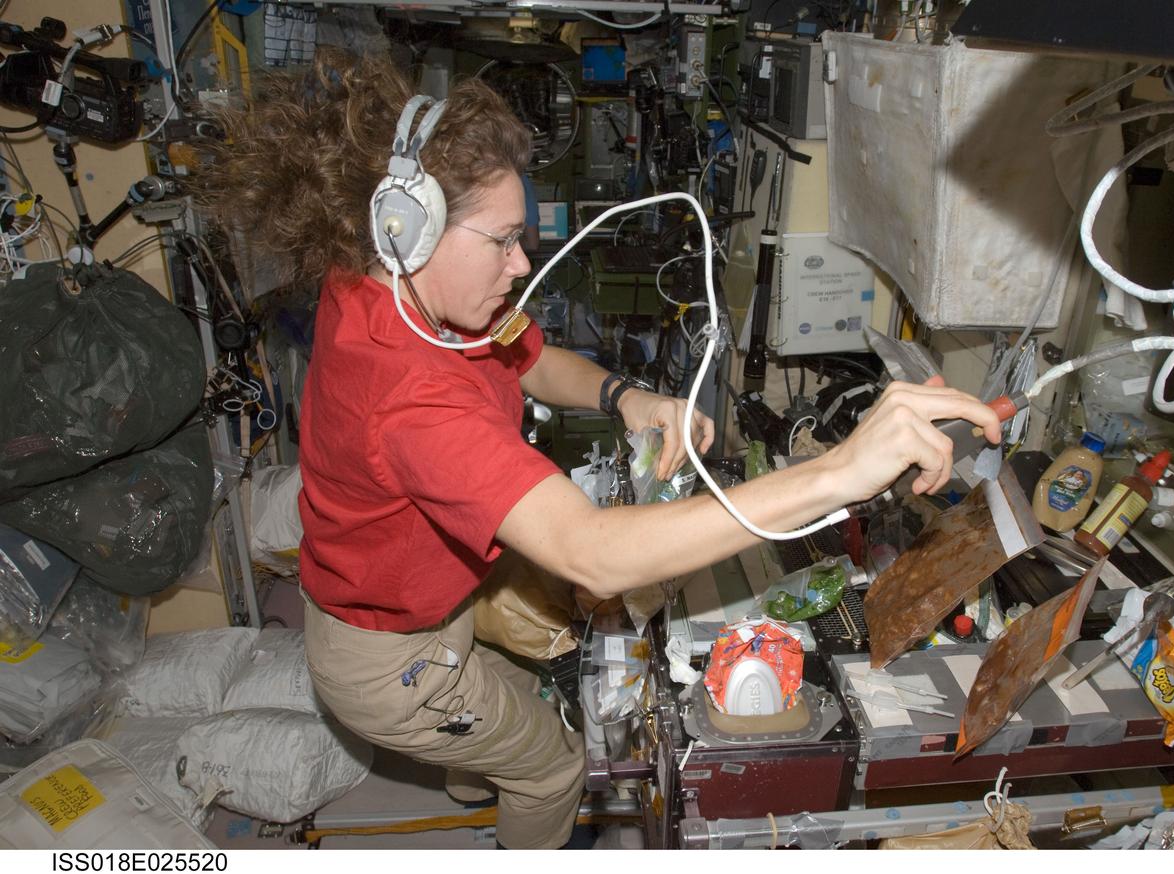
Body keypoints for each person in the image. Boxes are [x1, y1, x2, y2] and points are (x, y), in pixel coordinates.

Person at [198, 49, 1000, 850]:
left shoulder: (397, 285)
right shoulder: (408, 395)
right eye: (504, 241)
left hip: (428, 599)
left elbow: (532, 357)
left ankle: (472, 762)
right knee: (551, 767)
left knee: (506, 697)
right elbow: (593, 554)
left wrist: (629, 397)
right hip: (387, 659)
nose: (520, 265)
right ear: (410, 229)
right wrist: (838, 471)